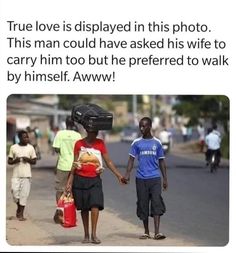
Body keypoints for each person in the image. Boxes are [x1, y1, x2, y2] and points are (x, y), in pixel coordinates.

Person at [66, 126, 127, 244]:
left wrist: (118, 175)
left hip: (95, 179)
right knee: (84, 208)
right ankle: (86, 235)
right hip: (80, 179)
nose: (95, 133)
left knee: (95, 205)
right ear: (88, 131)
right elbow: (74, 164)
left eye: (96, 131)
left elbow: (108, 162)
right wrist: (69, 181)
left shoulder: (100, 143)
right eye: (93, 130)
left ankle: (94, 234)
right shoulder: (78, 144)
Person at [124, 117, 168, 240]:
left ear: (150, 126)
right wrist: (127, 174)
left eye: (144, 126)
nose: (142, 129)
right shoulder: (136, 143)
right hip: (141, 178)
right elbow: (131, 160)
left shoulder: (157, 143)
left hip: (155, 178)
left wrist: (165, 179)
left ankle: (157, 232)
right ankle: (146, 232)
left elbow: (162, 162)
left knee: (156, 203)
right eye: (140, 126)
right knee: (143, 204)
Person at [52, 116, 82, 223]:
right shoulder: (78, 135)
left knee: (60, 190)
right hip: (75, 166)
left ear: (65, 123)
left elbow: (56, 148)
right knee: (73, 190)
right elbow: (80, 150)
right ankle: (70, 213)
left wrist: (64, 151)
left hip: (63, 165)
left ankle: (60, 212)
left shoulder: (60, 134)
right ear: (74, 123)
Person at [8, 130, 37, 221]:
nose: (26, 139)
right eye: (24, 137)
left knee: (24, 195)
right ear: (19, 138)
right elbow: (9, 161)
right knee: (15, 193)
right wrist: (15, 161)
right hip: (16, 175)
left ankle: (21, 214)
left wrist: (27, 159)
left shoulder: (31, 148)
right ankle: (18, 207)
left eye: (27, 137)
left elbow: (34, 161)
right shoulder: (13, 147)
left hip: (26, 175)